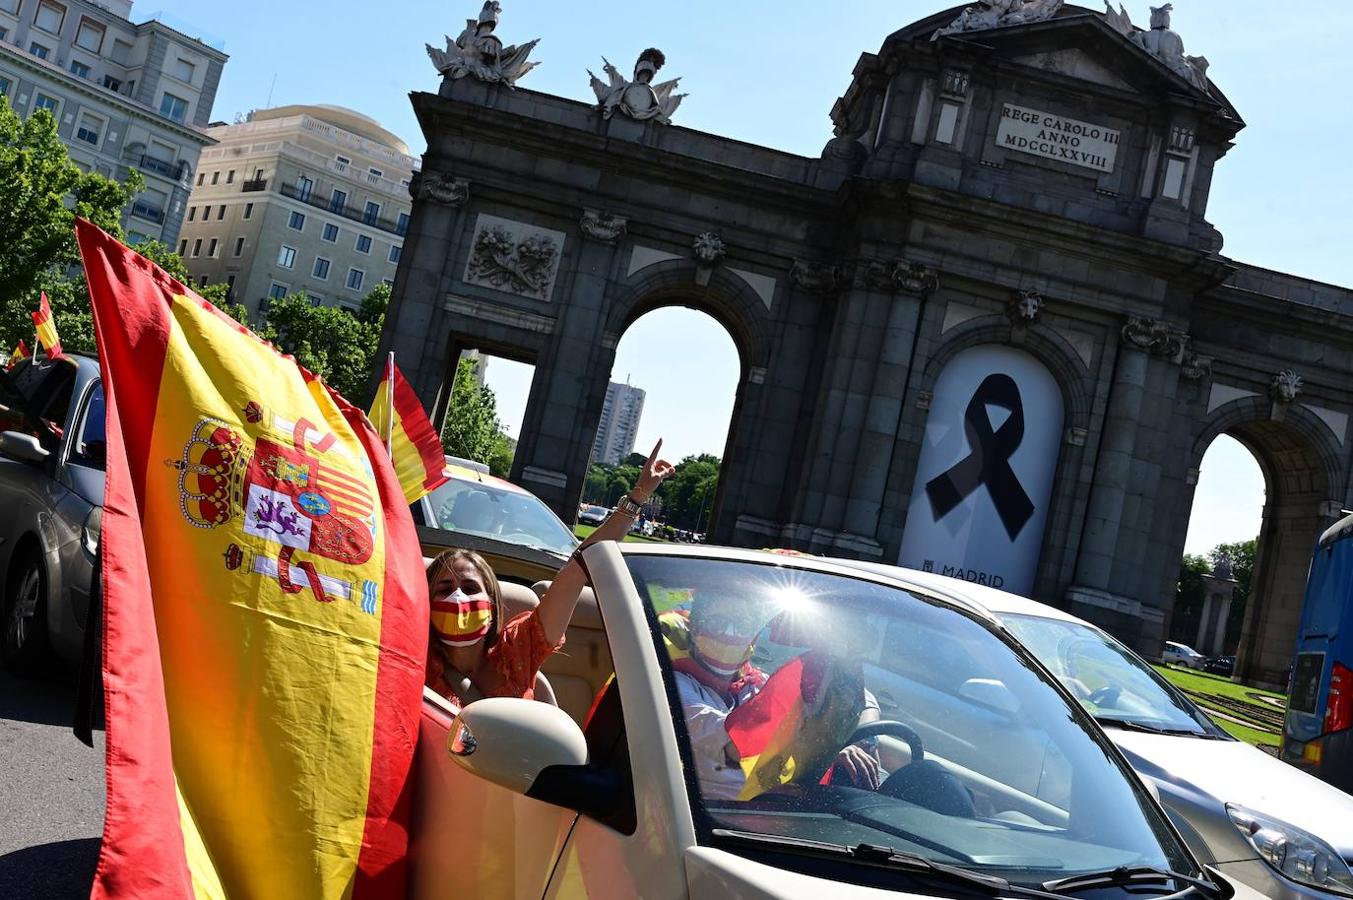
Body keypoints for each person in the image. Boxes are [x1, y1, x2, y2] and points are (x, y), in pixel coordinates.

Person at [425, 440, 674, 708]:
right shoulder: (415, 659)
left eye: (471, 588)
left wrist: (638, 497)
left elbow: (577, 570)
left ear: (492, 603)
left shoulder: (517, 649)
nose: (458, 597)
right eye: (444, 589)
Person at [668, 591, 882, 801]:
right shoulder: (677, 688)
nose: (730, 633)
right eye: (717, 623)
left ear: (754, 634)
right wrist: (825, 744)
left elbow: (863, 698)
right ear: (694, 629)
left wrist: (859, 743)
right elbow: (740, 742)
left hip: (782, 810)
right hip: (724, 819)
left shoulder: (753, 684)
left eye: (741, 625)